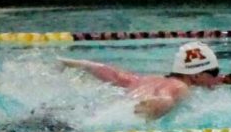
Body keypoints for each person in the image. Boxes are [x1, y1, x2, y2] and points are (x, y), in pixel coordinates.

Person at [58, 41, 222, 119]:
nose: (217, 78)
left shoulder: (147, 79)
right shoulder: (180, 86)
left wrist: (83, 65)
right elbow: (167, 96)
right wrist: (162, 104)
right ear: (196, 75)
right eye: (213, 73)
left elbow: (115, 75)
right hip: (122, 119)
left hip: (88, 114)